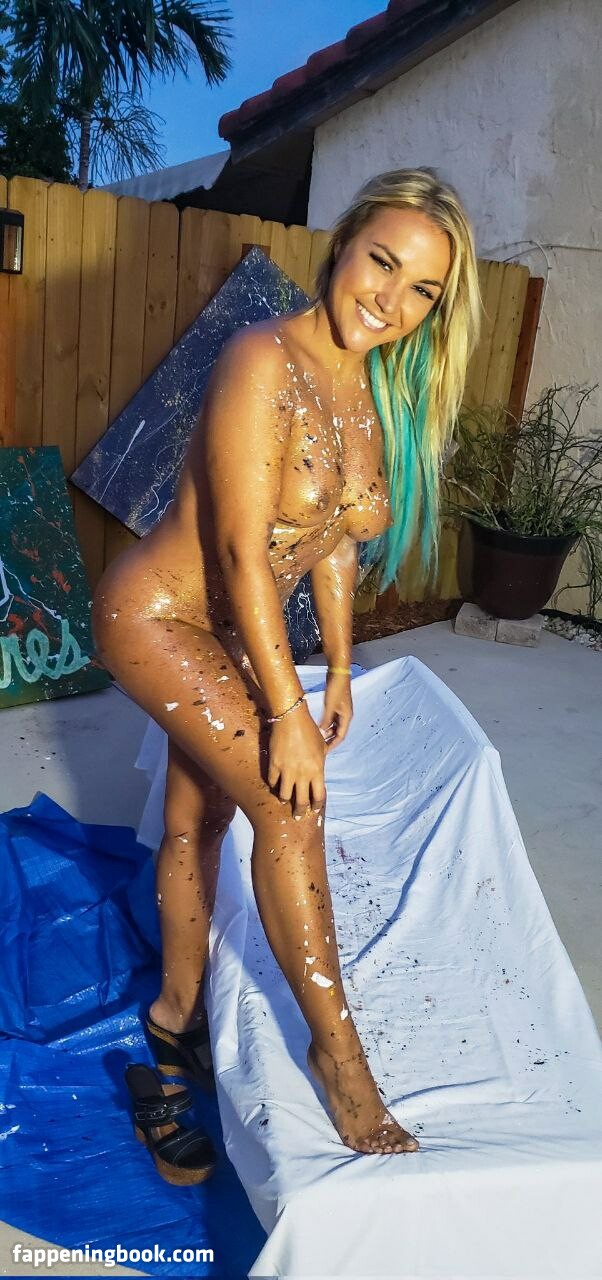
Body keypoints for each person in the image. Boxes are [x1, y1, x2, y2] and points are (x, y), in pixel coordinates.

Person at [92, 167, 481, 1158]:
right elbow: (237, 551)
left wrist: (338, 670)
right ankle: (339, 1059)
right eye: (381, 262)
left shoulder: (365, 385)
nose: (390, 300)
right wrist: (284, 709)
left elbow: (335, 543)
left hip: (232, 632)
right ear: (342, 243)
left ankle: (173, 1019)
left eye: (421, 289)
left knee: (200, 820)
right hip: (158, 616)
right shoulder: (259, 356)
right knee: (289, 806)